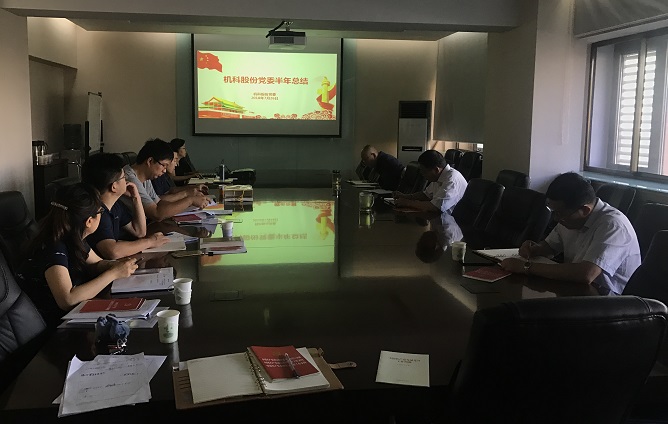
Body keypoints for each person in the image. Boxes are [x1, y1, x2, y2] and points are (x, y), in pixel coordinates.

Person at [17, 183, 139, 327]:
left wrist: (117, 265)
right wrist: (113, 273)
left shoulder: (73, 235)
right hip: (53, 326)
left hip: (74, 313)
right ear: (89, 221)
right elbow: (67, 300)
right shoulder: (53, 246)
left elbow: (96, 263)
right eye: (100, 211)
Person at [500, 172, 641, 295]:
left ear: (585, 210)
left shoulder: (613, 225)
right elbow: (550, 247)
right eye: (552, 212)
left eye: (559, 213)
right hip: (577, 290)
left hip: (610, 301)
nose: (555, 219)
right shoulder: (569, 217)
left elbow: (586, 274)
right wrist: (535, 249)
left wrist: (526, 267)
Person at [81, 152, 170, 259]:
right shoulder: (97, 211)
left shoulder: (115, 205)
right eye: (123, 177)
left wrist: (136, 198)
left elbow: (140, 231)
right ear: (114, 186)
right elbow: (112, 251)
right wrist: (150, 242)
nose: (127, 181)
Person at [122, 138, 210, 222]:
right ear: (150, 161)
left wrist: (188, 201)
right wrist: (190, 200)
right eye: (163, 165)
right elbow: (156, 214)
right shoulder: (130, 178)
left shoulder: (145, 176)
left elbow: (158, 203)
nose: (164, 171)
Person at [393, 150, 467, 213]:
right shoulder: (439, 176)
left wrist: (407, 203)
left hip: (451, 221)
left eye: (424, 171)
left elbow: (435, 207)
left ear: (436, 169)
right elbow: (426, 195)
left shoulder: (451, 180)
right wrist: (405, 196)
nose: (422, 174)